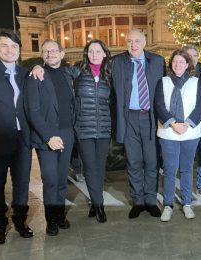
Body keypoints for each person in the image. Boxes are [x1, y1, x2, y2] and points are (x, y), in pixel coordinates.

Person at [0, 31, 33, 245]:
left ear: (19, 50)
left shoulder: (26, 74)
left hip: (23, 140)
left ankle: (20, 220)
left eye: (13, 46)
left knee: (21, 183)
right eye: (4, 46)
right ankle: (0, 224)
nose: (9, 50)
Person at [111, 29, 166, 218]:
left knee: (151, 161)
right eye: (129, 41)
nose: (133, 45)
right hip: (129, 118)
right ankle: (137, 201)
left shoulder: (158, 61)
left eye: (137, 41)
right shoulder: (117, 62)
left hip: (151, 118)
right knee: (134, 161)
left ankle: (150, 200)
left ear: (144, 43)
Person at [24, 39, 74, 236]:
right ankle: (50, 219)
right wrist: (48, 137)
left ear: (62, 54)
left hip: (67, 132)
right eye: (46, 51)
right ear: (42, 55)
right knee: (51, 179)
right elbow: (32, 111)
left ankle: (60, 214)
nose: (50, 54)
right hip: (47, 136)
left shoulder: (68, 74)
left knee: (62, 179)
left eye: (54, 51)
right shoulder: (35, 76)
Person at [155, 49, 201, 222]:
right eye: (175, 62)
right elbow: (159, 105)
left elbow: (200, 107)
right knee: (169, 170)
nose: (178, 65)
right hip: (169, 132)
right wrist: (174, 123)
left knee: (186, 168)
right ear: (171, 64)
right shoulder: (163, 82)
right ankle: (168, 205)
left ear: (188, 64)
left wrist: (187, 124)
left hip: (190, 133)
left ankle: (186, 203)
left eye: (181, 62)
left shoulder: (196, 82)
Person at [71, 40, 112, 223]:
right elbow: (57, 73)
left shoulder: (109, 74)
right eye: (90, 51)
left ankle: (94, 202)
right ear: (86, 54)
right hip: (83, 128)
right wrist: (39, 68)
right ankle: (99, 204)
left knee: (99, 168)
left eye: (98, 51)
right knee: (89, 167)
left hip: (103, 129)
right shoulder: (78, 71)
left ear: (104, 54)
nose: (94, 54)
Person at [182, 44, 201, 197]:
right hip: (183, 121)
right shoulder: (179, 72)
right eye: (189, 55)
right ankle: (185, 186)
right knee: (185, 157)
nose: (192, 58)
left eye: (195, 55)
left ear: (198, 57)